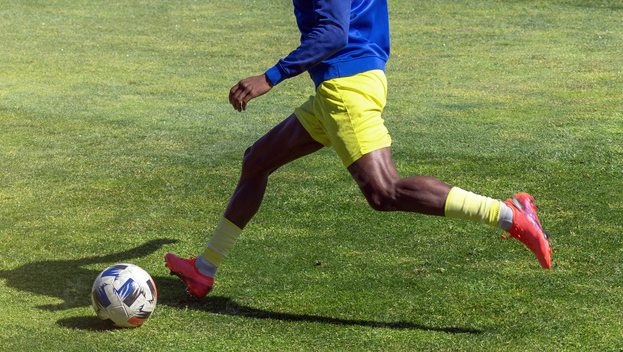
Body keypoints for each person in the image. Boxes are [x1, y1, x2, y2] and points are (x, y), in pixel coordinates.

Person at [165, 0, 551, 300]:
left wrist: (270, 76)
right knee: (257, 161)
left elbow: (332, 33)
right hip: (351, 81)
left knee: (385, 192)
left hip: (345, 86)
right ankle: (204, 268)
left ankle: (509, 215)